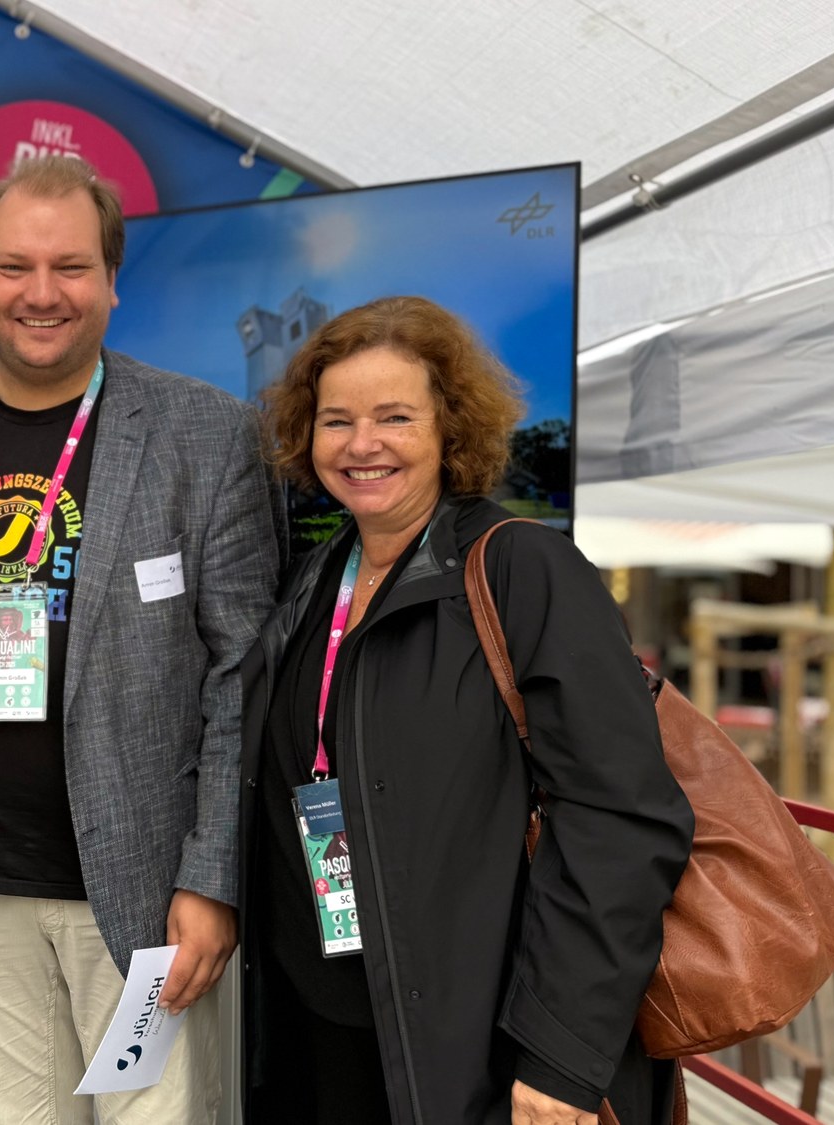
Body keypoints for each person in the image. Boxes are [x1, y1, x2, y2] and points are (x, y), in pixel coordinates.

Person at [0, 154, 278, 1124]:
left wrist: (211, 880)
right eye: (14, 267)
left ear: (110, 280)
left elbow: (241, 674)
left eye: (70, 267)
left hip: (145, 894)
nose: (41, 293)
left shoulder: (204, 431)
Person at [238, 295, 695, 1124]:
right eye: (337, 420)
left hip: (482, 1049)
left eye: (395, 417)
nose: (362, 444)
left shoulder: (526, 571)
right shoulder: (313, 581)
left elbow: (621, 821)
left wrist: (560, 1056)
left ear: (450, 427)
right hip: (326, 1033)